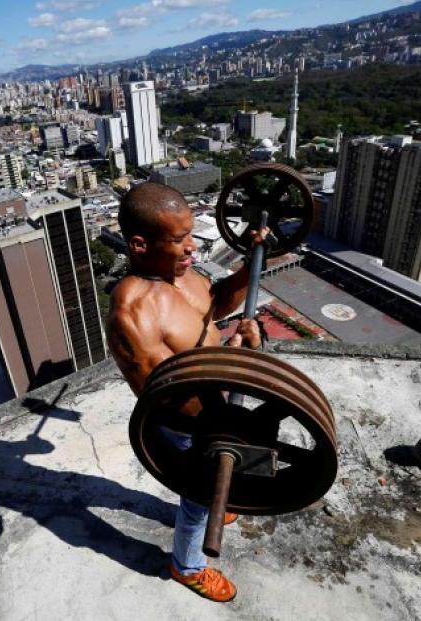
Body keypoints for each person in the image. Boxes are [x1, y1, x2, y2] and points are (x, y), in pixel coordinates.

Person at [107, 182, 269, 603]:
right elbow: (168, 393)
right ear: (140, 245)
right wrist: (236, 354)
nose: (192, 247)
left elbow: (214, 306)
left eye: (190, 235)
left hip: (220, 401)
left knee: (216, 483)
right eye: (179, 240)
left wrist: (247, 270)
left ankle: (219, 494)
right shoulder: (134, 311)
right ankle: (187, 566)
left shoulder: (182, 275)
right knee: (197, 503)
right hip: (188, 426)